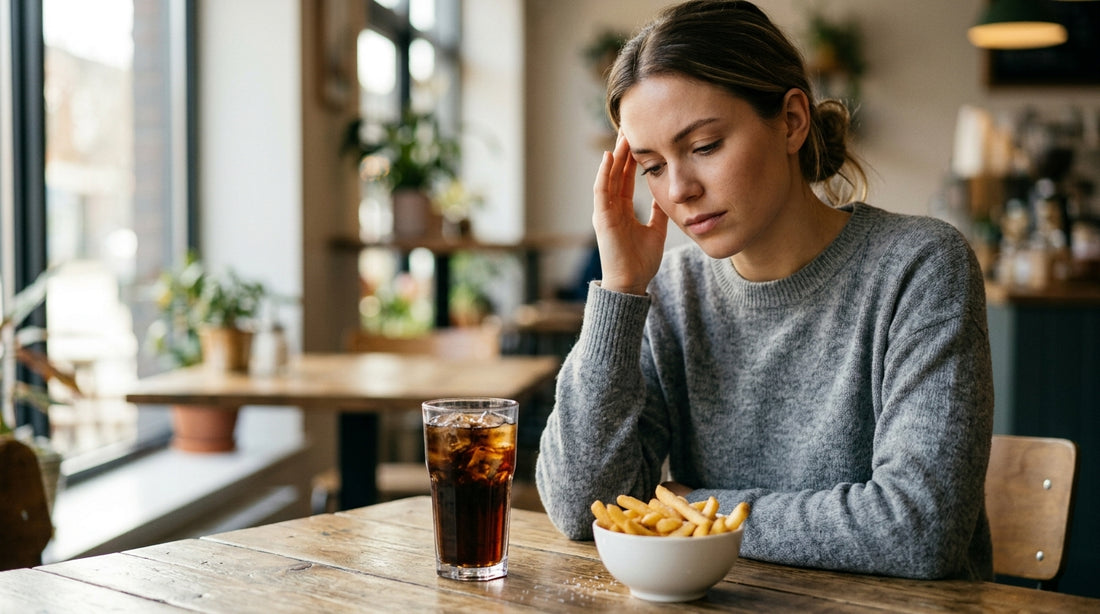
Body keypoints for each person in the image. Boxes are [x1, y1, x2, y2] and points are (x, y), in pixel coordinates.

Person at [535, 0, 994, 581]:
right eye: (651, 166)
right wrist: (620, 293)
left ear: (792, 122)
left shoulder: (919, 266)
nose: (679, 190)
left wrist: (693, 508)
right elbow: (581, 506)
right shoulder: (672, 294)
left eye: (704, 147)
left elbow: (918, 531)